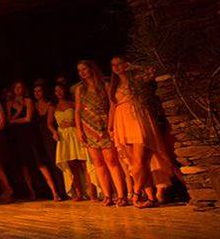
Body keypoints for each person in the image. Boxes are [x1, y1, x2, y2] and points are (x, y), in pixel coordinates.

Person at [109, 56, 172, 208]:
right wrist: (110, 127)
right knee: (134, 161)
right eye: (113, 65)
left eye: (119, 64)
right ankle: (150, 197)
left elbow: (152, 70)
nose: (117, 67)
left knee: (139, 160)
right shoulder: (113, 85)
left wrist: (132, 66)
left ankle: (136, 193)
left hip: (137, 117)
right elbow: (112, 106)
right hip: (121, 120)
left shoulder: (137, 79)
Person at [75, 60, 128, 206]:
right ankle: (107, 195)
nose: (82, 72)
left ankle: (121, 195)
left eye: (84, 69)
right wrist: (79, 130)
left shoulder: (104, 85)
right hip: (88, 127)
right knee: (98, 162)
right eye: (79, 71)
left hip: (104, 125)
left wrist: (110, 126)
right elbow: (77, 110)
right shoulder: (80, 89)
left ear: (91, 68)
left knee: (111, 160)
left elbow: (112, 106)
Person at [7, 81, 61, 201]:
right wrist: (18, 113)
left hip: (30, 134)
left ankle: (54, 191)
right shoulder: (10, 103)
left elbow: (28, 118)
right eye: (16, 87)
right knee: (24, 166)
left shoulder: (28, 101)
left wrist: (15, 117)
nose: (18, 89)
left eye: (20, 87)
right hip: (17, 136)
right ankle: (32, 192)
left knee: (40, 163)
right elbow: (8, 119)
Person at [47, 80, 91, 201]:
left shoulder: (72, 103)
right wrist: (55, 132)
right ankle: (78, 193)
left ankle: (91, 191)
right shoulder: (53, 106)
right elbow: (49, 123)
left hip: (74, 132)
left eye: (60, 90)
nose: (58, 92)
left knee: (83, 163)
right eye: (56, 91)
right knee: (72, 165)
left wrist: (75, 125)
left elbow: (80, 116)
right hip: (63, 135)